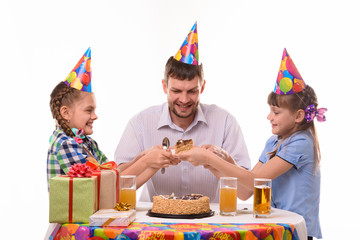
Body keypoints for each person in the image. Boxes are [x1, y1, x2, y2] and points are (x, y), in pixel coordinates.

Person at [176, 49, 324, 239]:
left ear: (299, 116)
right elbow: (245, 191)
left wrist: (207, 157)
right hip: (279, 229)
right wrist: (218, 162)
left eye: (276, 112)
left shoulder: (302, 142)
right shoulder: (274, 142)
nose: (269, 117)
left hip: (298, 232)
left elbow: (256, 181)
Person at [114, 22, 251, 202]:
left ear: (202, 87)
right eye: (176, 91)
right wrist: (148, 162)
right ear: (164, 86)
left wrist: (211, 160)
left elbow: (245, 192)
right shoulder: (140, 122)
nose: (184, 100)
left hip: (209, 225)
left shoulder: (225, 121)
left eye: (192, 91)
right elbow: (114, 188)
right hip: (154, 224)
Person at [47, 48, 108, 187]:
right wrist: (146, 162)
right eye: (89, 110)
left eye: (94, 110)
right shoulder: (65, 144)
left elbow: (112, 173)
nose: (95, 116)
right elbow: (102, 184)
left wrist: (144, 158)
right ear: (66, 113)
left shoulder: (88, 143)